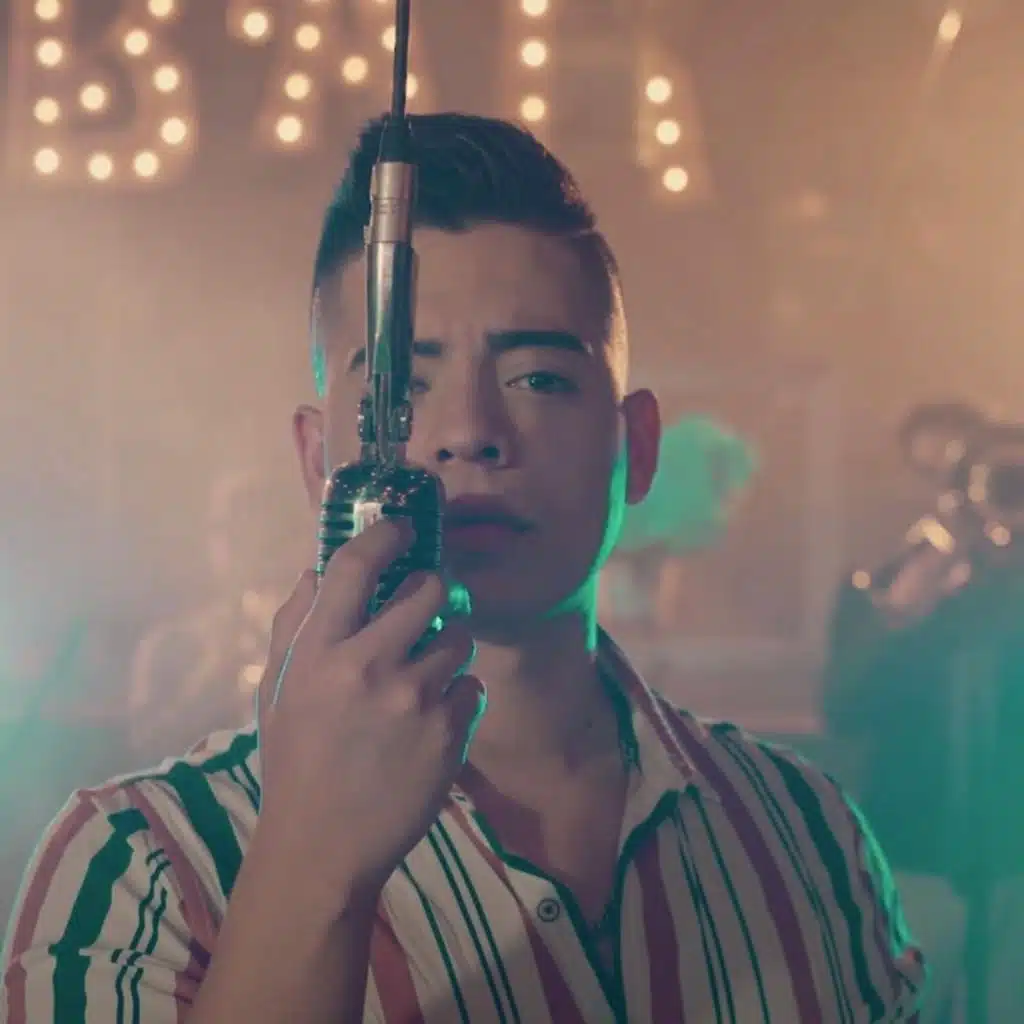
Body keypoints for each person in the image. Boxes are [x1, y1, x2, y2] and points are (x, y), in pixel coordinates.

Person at [1, 113, 924, 1023]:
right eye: (402, 387)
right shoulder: (138, 868)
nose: (471, 431)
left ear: (636, 446)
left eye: (539, 379)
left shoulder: (805, 834)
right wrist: (311, 866)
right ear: (319, 462)